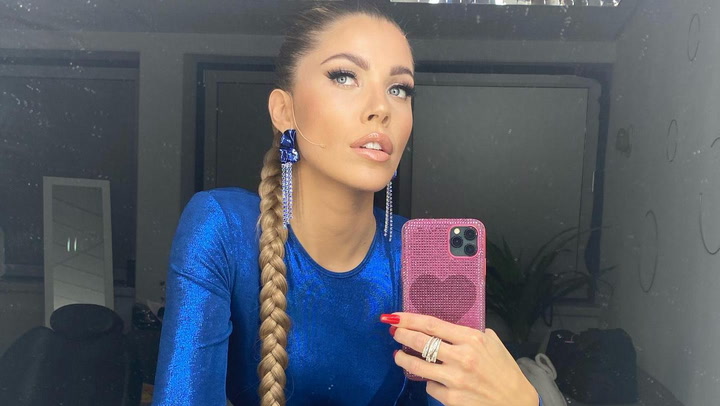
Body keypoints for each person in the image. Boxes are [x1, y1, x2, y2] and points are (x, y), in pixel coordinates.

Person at [151, 2, 542, 406]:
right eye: (345, 76)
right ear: (284, 110)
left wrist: (523, 401)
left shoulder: (421, 258)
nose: (381, 108)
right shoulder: (223, 228)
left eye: (399, 89)